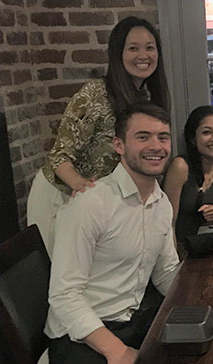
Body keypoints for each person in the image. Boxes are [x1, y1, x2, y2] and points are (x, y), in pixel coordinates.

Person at [44, 104, 180, 364]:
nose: (156, 146)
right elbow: (64, 295)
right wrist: (115, 351)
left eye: (163, 137)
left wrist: (206, 297)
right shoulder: (90, 203)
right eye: (143, 137)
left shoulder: (161, 202)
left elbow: (166, 274)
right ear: (119, 145)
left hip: (133, 322)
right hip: (79, 338)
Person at [26, 16, 170, 255]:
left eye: (150, 48)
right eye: (133, 48)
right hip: (61, 195)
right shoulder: (95, 93)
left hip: (98, 201)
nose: (143, 55)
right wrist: (81, 188)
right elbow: (59, 155)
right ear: (117, 54)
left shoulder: (145, 98)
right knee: (60, 273)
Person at [162, 105, 213, 254]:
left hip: (203, 245)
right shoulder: (180, 167)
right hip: (179, 247)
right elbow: (168, 224)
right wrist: (174, 266)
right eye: (207, 132)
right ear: (192, 138)